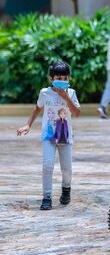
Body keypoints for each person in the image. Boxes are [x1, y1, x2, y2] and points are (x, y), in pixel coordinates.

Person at [16, 61, 81, 210]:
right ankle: (47, 197)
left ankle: (66, 189)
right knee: (47, 165)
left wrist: (66, 98)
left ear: (69, 79)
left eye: (65, 78)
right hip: (49, 135)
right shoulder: (44, 93)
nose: (62, 81)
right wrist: (28, 124)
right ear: (51, 79)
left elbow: (77, 113)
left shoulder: (71, 93)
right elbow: (37, 108)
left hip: (65, 136)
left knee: (67, 169)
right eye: (59, 78)